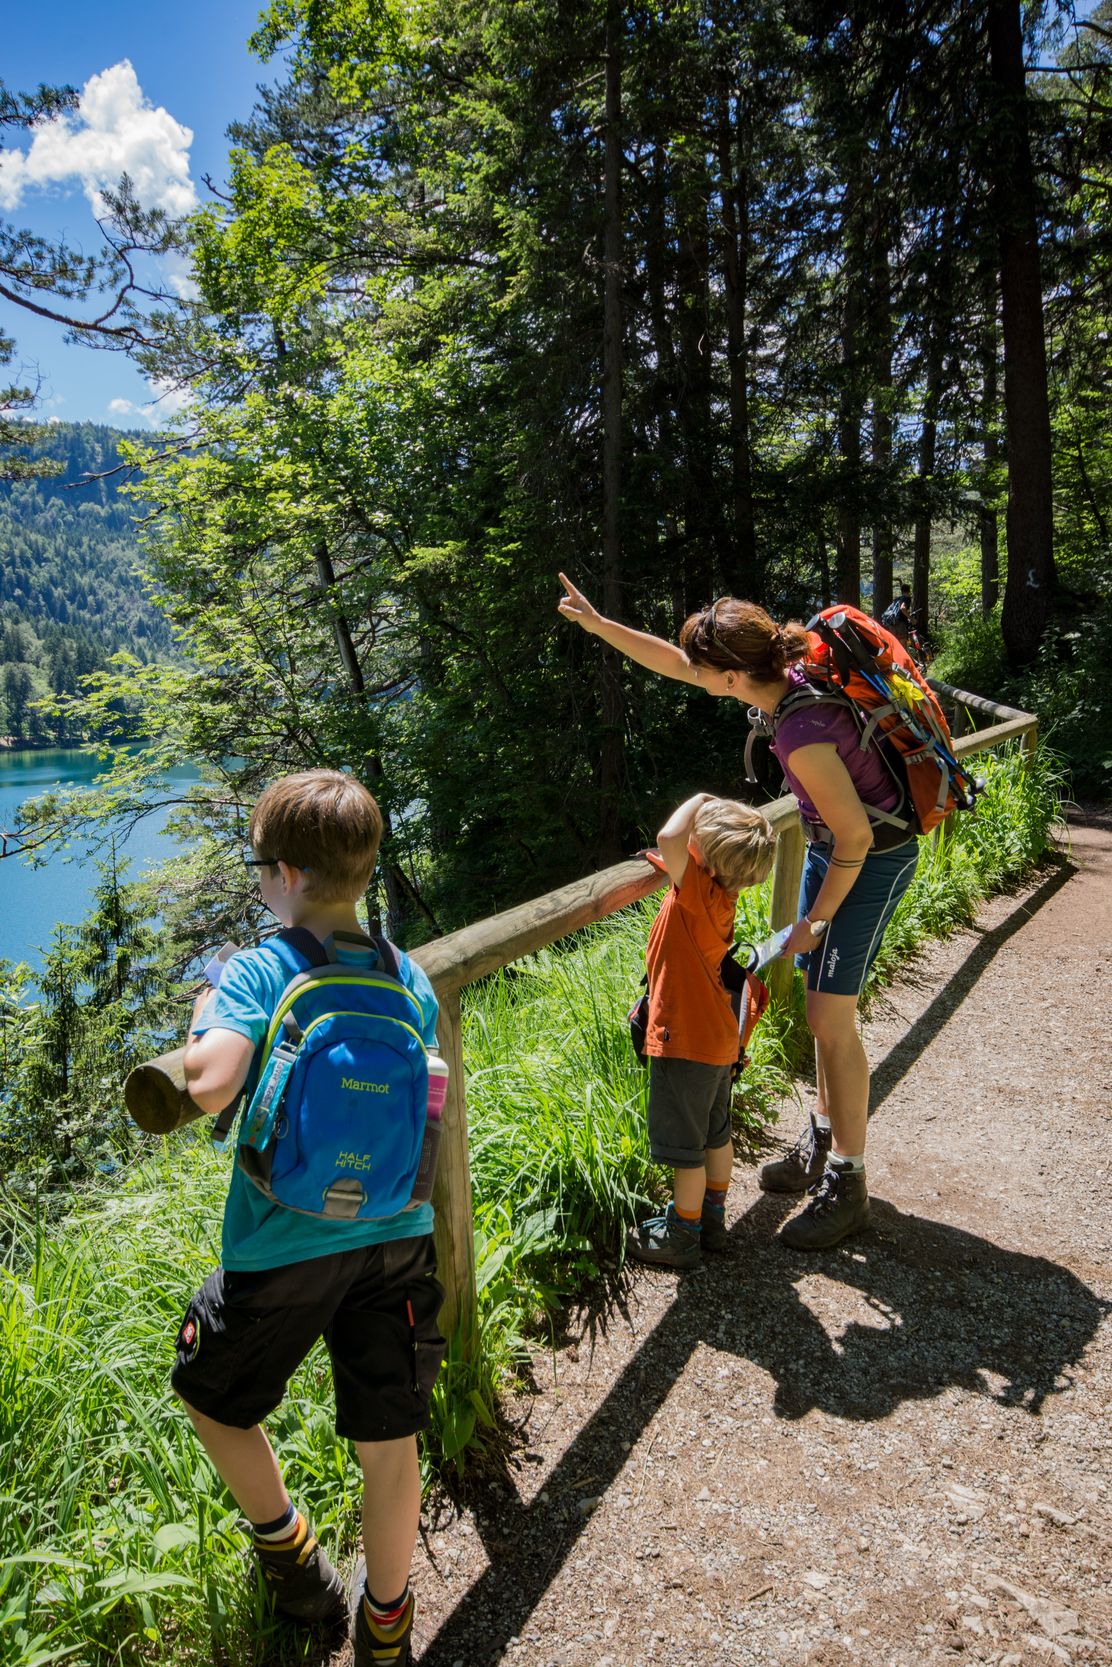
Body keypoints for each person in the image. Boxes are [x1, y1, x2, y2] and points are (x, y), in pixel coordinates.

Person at [558, 574, 920, 1250]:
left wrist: (816, 919)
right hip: (831, 841)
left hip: (871, 855)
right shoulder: (774, 676)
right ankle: (822, 1138)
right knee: (818, 1003)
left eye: (705, 668)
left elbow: (860, 838)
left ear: (731, 672)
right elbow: (672, 659)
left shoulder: (804, 727)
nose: (695, 674)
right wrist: (599, 623)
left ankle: (848, 1179)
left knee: (828, 1015)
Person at [172, 769, 444, 1666]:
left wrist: (207, 1015)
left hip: (280, 1245)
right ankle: (388, 1624)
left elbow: (209, 1083)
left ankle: (294, 1559)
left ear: (285, 873)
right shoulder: (409, 978)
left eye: (260, 867)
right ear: (364, 869)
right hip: (397, 1241)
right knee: (390, 1444)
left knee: (211, 1397)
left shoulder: (262, 963)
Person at [629, 792, 776, 1269]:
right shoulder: (717, 895)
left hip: (686, 1042)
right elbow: (678, 853)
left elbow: (668, 837)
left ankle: (683, 1233)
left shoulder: (695, 893)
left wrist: (699, 799)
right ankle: (712, 1217)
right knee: (716, 1132)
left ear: (705, 859)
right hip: (718, 1038)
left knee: (687, 1148)